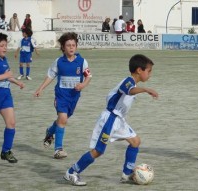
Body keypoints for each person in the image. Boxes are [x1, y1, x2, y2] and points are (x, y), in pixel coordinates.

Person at [63, 54, 159, 186]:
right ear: (139, 70)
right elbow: (130, 90)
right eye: (149, 71)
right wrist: (146, 89)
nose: (150, 74)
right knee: (98, 151)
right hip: (109, 120)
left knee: (135, 141)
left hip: (118, 120)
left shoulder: (133, 83)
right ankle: (72, 172)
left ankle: (126, 174)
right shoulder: (128, 81)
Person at [34, 32, 92, 159]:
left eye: (73, 45)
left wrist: (83, 85)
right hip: (61, 96)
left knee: (63, 119)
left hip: (74, 97)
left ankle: (50, 132)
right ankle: (58, 149)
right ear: (63, 48)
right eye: (68, 45)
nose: (71, 47)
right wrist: (41, 88)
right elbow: (50, 76)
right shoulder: (58, 62)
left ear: (76, 46)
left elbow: (88, 76)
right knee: (63, 119)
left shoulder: (82, 62)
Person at [0, 32, 25, 163]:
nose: (5, 48)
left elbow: (7, 75)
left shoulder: (4, 59)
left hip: (5, 96)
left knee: (11, 123)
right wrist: (6, 76)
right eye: (2, 45)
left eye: (6, 45)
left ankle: (6, 151)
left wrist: (17, 82)